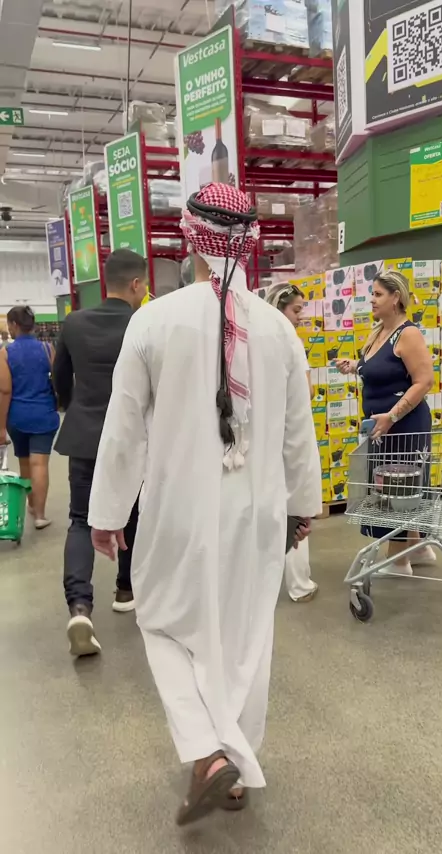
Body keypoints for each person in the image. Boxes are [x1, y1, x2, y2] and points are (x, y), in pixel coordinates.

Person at [88, 183, 322, 825]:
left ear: (189, 240)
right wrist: (303, 506)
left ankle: (206, 752)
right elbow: (298, 434)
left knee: (162, 621)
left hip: (177, 512)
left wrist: (106, 514)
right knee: (244, 640)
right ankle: (234, 765)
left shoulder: (152, 321)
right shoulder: (280, 330)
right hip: (259, 513)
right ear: (249, 244)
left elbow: (124, 430)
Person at [53, 249, 147, 657]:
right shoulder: (144, 322)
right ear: (136, 284)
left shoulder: (74, 322)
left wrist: (75, 407)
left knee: (79, 520)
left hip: (85, 436)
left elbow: (60, 378)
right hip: (131, 438)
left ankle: (79, 608)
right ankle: (126, 589)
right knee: (133, 513)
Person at [337, 270, 434, 574]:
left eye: (378, 294)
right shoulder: (379, 332)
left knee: (398, 490)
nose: (372, 300)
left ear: (396, 298)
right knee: (394, 489)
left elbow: (424, 381)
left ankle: (399, 561)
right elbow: (383, 368)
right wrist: (355, 366)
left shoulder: (408, 334)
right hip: (383, 430)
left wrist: (392, 416)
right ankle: (418, 547)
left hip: (404, 425)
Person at [266, 282, 318, 603]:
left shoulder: (257, 340)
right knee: (297, 508)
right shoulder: (291, 342)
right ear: (280, 307)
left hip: (265, 436)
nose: (300, 317)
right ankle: (299, 584)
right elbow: (306, 391)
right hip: (291, 435)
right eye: (296, 310)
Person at [0, 306, 59, 528]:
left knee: (25, 462)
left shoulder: (5, 353)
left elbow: (5, 391)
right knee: (40, 463)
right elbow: (57, 381)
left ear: (14, 325)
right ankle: (40, 515)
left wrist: (1, 426)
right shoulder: (47, 348)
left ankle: (32, 505)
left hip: (18, 416)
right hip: (44, 414)